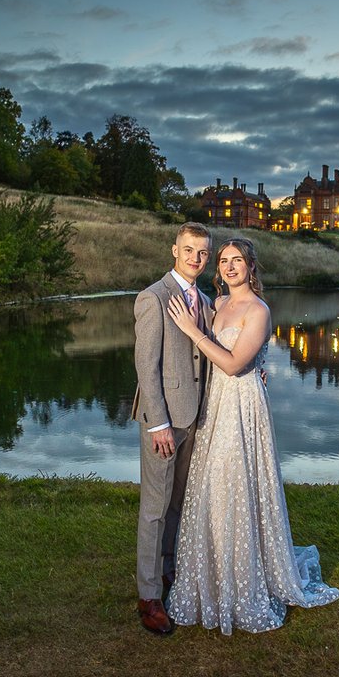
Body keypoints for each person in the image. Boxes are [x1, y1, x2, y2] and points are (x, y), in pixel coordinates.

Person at [162, 237, 339, 635]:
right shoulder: (219, 304)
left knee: (238, 483)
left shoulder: (258, 310)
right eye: (222, 261)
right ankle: (208, 578)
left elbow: (231, 363)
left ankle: (243, 581)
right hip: (215, 404)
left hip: (241, 406)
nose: (228, 267)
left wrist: (192, 331)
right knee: (211, 486)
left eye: (236, 260)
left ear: (250, 267)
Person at [131, 222, 214, 636]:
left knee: (179, 502)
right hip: (164, 422)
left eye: (202, 252)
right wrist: (158, 423)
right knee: (154, 508)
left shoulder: (206, 299)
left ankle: (167, 572)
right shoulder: (154, 298)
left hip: (195, 417)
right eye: (188, 250)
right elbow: (146, 367)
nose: (195, 258)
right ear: (174, 250)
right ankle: (148, 596)